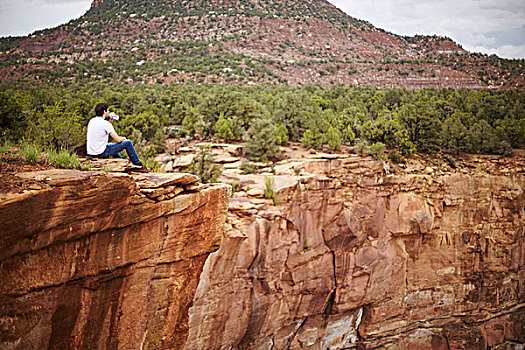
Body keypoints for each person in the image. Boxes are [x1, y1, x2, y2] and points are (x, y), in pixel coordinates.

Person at [87, 103, 149, 171]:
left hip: (91, 152)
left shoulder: (92, 121)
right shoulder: (105, 123)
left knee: (111, 145)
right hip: (101, 153)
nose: (108, 112)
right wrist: (124, 138)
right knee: (128, 143)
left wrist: (110, 123)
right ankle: (138, 165)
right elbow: (118, 140)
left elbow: (101, 130)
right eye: (107, 110)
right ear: (104, 111)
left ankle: (123, 160)